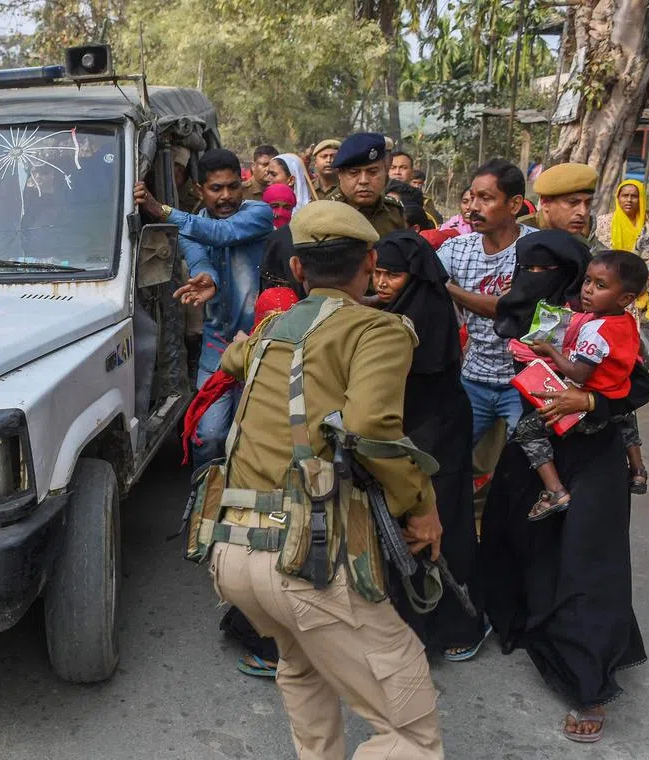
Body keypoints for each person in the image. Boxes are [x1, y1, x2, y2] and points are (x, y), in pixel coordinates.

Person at [210, 200, 444, 759]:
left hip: (236, 553)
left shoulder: (270, 329)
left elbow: (231, 361)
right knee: (410, 730)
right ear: (369, 262)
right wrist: (422, 504)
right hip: (309, 560)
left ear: (297, 270)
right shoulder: (377, 330)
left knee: (303, 670)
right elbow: (370, 428)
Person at [482, 267, 649, 745]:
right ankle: (520, 623)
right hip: (537, 452)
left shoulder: (608, 323)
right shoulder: (549, 307)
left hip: (593, 454)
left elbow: (636, 390)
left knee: (587, 562)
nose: (586, 289)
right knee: (526, 544)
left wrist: (592, 402)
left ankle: (588, 682)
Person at [373, 230, 489, 661]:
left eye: (393, 275)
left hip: (435, 432)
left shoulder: (425, 315)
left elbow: (423, 386)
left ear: (415, 277)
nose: (382, 283)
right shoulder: (400, 306)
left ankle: (454, 623)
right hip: (415, 430)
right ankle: (409, 624)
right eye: (378, 273)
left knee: (443, 525)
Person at [133, 149, 272, 467]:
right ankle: (203, 504)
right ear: (199, 189)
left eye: (233, 186)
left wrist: (161, 210)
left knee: (252, 438)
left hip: (259, 348)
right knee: (208, 437)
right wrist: (206, 277)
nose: (226, 196)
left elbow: (222, 234)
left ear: (243, 184)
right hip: (217, 352)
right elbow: (199, 258)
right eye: (216, 189)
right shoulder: (191, 227)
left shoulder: (258, 214)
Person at [517, 251, 649, 518]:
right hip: (615, 396)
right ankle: (637, 470)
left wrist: (551, 352)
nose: (588, 290)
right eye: (587, 281)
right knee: (625, 414)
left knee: (526, 430)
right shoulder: (626, 322)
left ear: (625, 298)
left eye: (600, 286)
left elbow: (579, 374)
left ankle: (554, 490)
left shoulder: (595, 329)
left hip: (585, 409)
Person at [436, 159, 534, 444]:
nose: (473, 208)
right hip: (474, 379)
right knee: (453, 453)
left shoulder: (536, 250)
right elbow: (423, 284)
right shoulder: (456, 249)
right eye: (472, 197)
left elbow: (507, 310)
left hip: (522, 381)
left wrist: (449, 289)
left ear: (514, 205)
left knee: (532, 459)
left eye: (486, 198)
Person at [326, 132, 407, 237]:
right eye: (354, 173)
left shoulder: (394, 211)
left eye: (372, 172)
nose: (363, 181)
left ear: (385, 171)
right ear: (339, 174)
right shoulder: (324, 213)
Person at [519, 162, 599, 243]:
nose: (583, 212)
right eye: (573, 202)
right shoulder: (518, 236)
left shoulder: (584, 239)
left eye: (588, 203)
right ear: (545, 202)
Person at [595, 179, 649, 263]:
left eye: (634, 196)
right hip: (612, 272)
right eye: (625, 196)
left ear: (641, 199)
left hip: (647, 273)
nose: (629, 200)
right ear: (618, 198)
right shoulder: (603, 222)